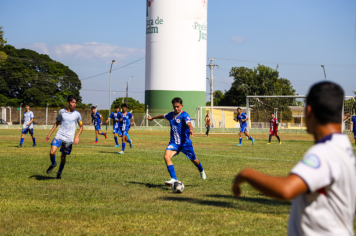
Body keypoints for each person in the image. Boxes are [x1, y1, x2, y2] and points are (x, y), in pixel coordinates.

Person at [232, 82, 356, 236]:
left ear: (309, 111)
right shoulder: (343, 147)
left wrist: (246, 174)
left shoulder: (325, 152)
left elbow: (287, 189)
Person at [147, 97, 206, 185]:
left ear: (182, 106)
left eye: (178, 106)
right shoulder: (170, 115)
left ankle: (201, 170)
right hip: (174, 143)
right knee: (166, 156)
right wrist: (153, 118)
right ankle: (174, 179)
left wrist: (191, 129)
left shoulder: (184, 115)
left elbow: (189, 123)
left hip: (185, 143)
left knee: (194, 160)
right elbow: (163, 116)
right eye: (174, 107)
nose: (176, 108)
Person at [45, 95, 84, 179]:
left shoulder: (77, 114)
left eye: (75, 103)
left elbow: (81, 126)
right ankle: (53, 164)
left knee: (63, 157)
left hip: (69, 140)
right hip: (59, 135)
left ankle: (59, 172)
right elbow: (57, 123)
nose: (74, 104)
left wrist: (77, 137)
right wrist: (49, 134)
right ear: (68, 103)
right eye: (73, 102)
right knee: (52, 152)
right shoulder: (62, 112)